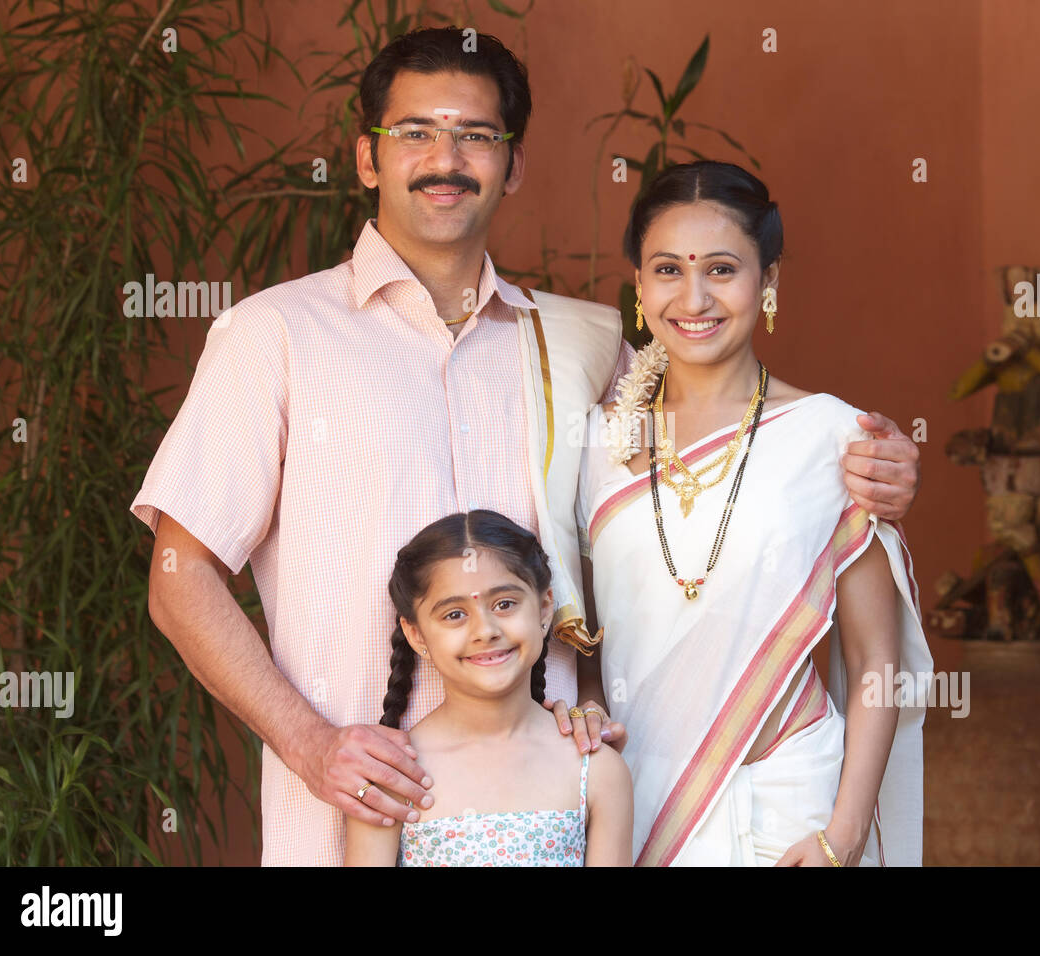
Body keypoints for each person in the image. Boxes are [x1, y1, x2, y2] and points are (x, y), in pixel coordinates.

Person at [131, 27, 920, 865]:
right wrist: (311, 743)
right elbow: (179, 584)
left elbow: (716, 488)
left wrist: (871, 469)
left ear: (514, 165)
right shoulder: (275, 337)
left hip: (565, 826)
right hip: (352, 817)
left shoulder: (580, 346)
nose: (446, 158)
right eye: (415, 133)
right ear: (367, 158)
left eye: (477, 135)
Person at [573, 160, 934, 866]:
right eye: (668, 269)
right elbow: (584, 633)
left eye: (723, 269)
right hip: (634, 811)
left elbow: (873, 660)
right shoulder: (598, 446)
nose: (695, 296)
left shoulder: (832, 438)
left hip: (786, 814)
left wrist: (846, 833)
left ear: (768, 284)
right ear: (639, 289)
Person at [343, 510, 632, 866]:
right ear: (416, 634)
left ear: (544, 609)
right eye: (454, 614)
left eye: (505, 604)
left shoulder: (595, 769)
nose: (486, 630)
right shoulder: (393, 776)